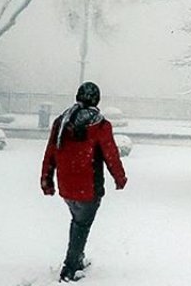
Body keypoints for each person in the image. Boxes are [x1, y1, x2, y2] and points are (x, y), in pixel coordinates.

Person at [40, 81, 128, 282]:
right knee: (81, 225)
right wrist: (120, 178)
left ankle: (77, 258)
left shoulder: (62, 122)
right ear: (97, 100)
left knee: (78, 221)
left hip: (66, 187)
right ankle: (70, 268)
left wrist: (47, 180)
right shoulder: (100, 125)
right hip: (89, 188)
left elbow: (51, 152)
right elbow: (111, 155)